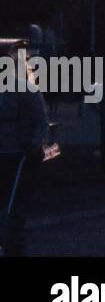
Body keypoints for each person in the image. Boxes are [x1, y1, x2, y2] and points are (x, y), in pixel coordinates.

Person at [0, 47, 48, 256]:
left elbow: (41, 122)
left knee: (15, 205)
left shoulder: (27, 91)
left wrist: (34, 144)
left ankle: (14, 245)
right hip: (4, 154)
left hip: (20, 156)